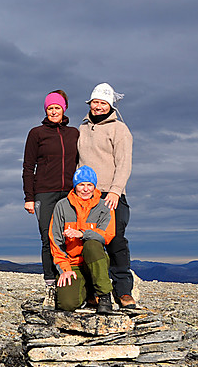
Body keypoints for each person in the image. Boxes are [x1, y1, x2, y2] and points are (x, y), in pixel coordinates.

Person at [77, 82, 136, 309]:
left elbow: (124, 163)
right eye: (95, 102)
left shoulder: (119, 129)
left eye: (102, 103)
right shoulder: (82, 128)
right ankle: (93, 292)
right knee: (89, 242)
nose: (98, 107)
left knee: (116, 241)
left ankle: (123, 292)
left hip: (111, 193)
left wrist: (115, 190)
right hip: (86, 194)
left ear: (110, 105)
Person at [22, 90, 79, 308]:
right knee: (48, 238)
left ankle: (72, 282)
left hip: (70, 193)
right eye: (50, 108)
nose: (54, 111)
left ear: (64, 109)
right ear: (46, 111)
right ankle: (50, 284)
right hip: (44, 193)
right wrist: (29, 197)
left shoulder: (74, 133)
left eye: (57, 107)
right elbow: (28, 167)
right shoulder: (36, 133)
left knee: (70, 237)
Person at [50, 166, 115, 314]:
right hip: (73, 264)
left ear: (94, 186)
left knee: (91, 245)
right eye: (81, 185)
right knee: (66, 304)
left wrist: (82, 234)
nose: (86, 189)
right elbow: (55, 241)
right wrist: (64, 269)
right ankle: (88, 292)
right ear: (75, 186)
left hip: (95, 262)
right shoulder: (62, 206)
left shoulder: (105, 206)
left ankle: (104, 296)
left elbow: (107, 236)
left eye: (89, 185)